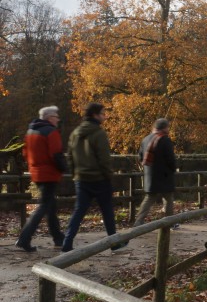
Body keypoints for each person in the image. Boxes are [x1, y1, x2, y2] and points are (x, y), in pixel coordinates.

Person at [62, 103, 128, 253]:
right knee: (107, 212)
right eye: (102, 113)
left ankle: (67, 242)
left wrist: (75, 174)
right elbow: (104, 159)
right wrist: (108, 176)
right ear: (95, 115)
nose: (104, 116)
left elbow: (70, 157)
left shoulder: (75, 133)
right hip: (99, 179)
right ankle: (114, 242)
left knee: (79, 212)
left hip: (81, 179)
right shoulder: (99, 133)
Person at [15, 106, 67, 252]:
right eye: (56, 116)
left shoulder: (30, 131)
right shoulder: (51, 132)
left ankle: (58, 238)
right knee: (44, 206)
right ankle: (24, 238)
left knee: (51, 205)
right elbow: (56, 154)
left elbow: (25, 153)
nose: (58, 119)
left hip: (36, 173)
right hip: (49, 173)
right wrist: (64, 168)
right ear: (50, 117)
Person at [133, 118, 176, 227]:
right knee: (168, 199)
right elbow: (170, 159)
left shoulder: (146, 139)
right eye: (168, 127)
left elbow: (141, 156)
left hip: (150, 175)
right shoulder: (165, 140)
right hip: (164, 175)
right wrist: (173, 169)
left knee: (149, 198)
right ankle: (170, 222)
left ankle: (138, 222)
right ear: (165, 128)